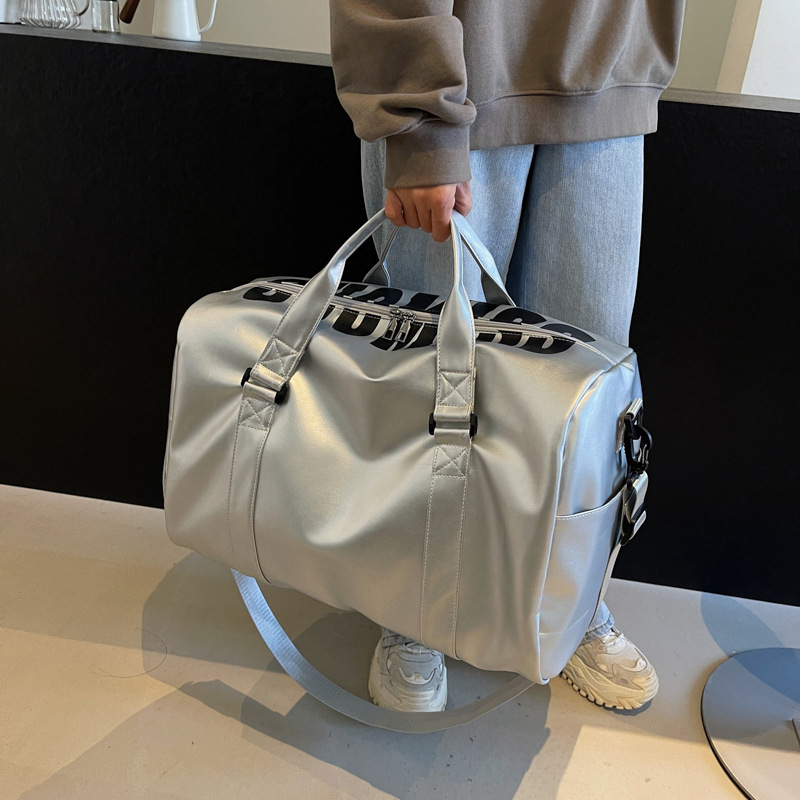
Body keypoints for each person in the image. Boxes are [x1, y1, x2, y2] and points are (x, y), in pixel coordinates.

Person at [329, 0, 685, 712]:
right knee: (433, 373)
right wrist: (419, 120)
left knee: (583, 396)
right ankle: (414, 604)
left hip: (609, 68)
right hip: (463, 74)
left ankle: (565, 597)